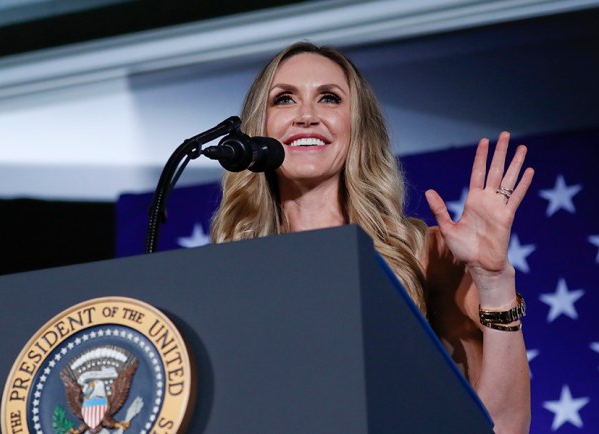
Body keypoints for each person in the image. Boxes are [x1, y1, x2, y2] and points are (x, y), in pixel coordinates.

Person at [210, 41, 532, 433]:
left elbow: (503, 426)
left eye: (329, 98)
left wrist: (495, 282)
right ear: (259, 129)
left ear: (358, 126)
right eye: (284, 100)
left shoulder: (423, 254)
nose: (306, 116)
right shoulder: (229, 273)